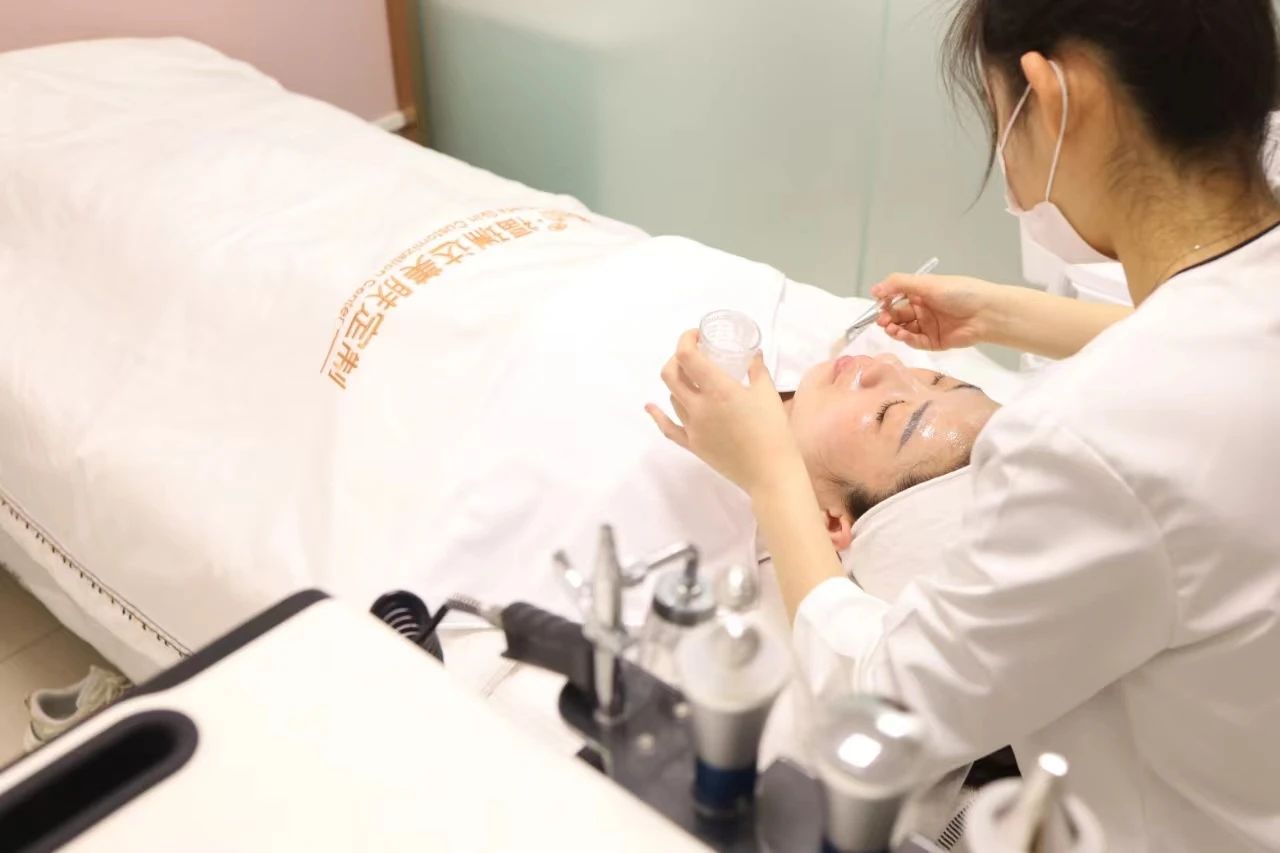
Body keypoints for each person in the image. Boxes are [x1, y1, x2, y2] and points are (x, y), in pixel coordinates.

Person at [647, 0, 1280, 849]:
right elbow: (1209, 346)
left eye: (998, 117)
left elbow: (885, 716)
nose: (887, 370)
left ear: (1052, 98)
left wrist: (771, 475)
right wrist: (1005, 316)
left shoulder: (1086, 442)